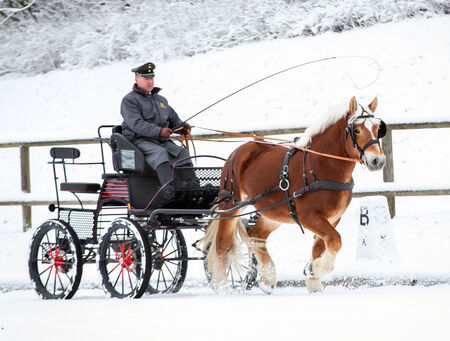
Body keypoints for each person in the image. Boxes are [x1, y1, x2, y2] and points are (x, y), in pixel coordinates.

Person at [120, 62, 192, 186]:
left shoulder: (161, 100)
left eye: (152, 78)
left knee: (182, 153)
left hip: (160, 142)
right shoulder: (129, 100)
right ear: (137, 79)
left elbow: (173, 120)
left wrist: (182, 127)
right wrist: (159, 131)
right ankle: (169, 189)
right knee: (160, 153)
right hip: (139, 141)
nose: (150, 81)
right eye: (146, 78)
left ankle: (192, 186)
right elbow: (136, 124)